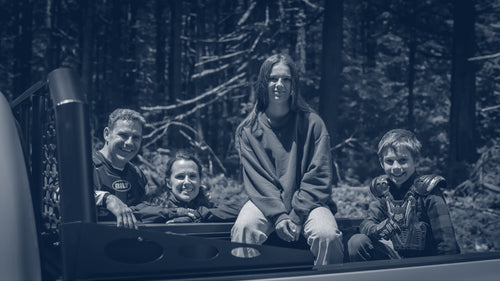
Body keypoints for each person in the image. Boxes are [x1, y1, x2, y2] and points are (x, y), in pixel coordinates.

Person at [231, 54, 344, 266]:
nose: (279, 84)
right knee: (244, 228)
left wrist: (296, 215)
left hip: (309, 203)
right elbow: (258, 181)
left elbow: (319, 176)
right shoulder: (249, 130)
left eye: (286, 79)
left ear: (294, 84)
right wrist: (279, 216)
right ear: (264, 83)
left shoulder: (313, 123)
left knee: (326, 235)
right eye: (273, 79)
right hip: (266, 201)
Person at [348, 129, 460, 261]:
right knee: (357, 242)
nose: (396, 167)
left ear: (416, 160)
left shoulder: (428, 190)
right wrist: (375, 229)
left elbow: (447, 242)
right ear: (381, 163)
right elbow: (366, 223)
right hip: (395, 262)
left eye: (402, 160)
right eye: (389, 161)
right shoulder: (383, 190)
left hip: (427, 265)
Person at [133, 150, 239, 223]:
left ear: (200, 181)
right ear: (169, 182)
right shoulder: (155, 204)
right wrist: (176, 213)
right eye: (180, 176)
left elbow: (239, 210)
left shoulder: (208, 204)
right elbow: (134, 212)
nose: (187, 182)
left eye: (192, 176)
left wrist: (197, 214)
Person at [93, 108, 147, 230]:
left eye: (136, 137)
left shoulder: (137, 175)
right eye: (123, 135)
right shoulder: (84, 167)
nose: (129, 143)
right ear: (107, 134)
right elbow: (58, 194)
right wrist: (107, 198)